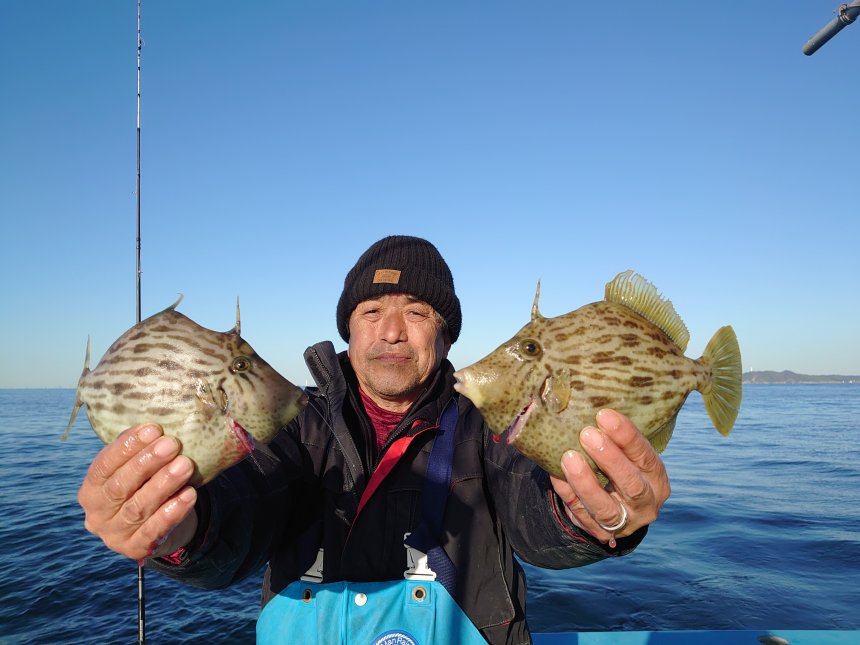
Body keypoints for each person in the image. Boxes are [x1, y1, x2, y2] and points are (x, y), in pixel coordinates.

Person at [77, 235, 671, 644]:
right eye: (370, 311)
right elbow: (242, 505)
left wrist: (591, 517)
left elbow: (533, 503)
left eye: (416, 312)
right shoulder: (295, 425)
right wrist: (175, 524)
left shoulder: (486, 425)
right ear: (349, 329)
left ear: (444, 335)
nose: (390, 331)